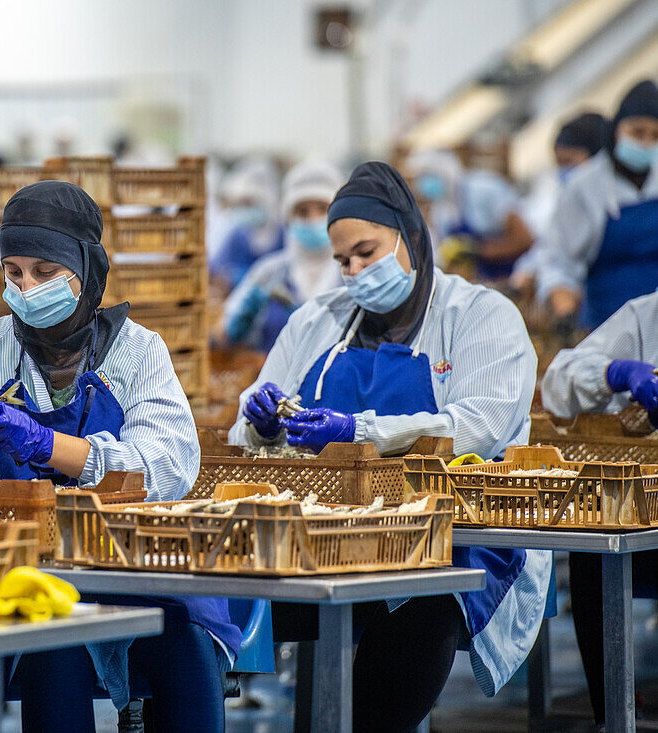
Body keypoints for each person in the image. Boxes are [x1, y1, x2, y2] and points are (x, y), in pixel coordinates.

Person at [229, 162, 550, 731]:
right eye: (342, 261)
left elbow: (479, 425)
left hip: (451, 533)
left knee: (416, 614)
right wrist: (261, 423)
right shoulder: (317, 321)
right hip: (326, 534)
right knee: (203, 611)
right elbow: (249, 424)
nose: (353, 271)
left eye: (367, 252)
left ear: (411, 236)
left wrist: (358, 432)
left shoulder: (479, 316)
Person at [0, 180, 240, 732]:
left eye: (44, 271)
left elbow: (170, 466)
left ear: (86, 270)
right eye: (12, 272)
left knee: (184, 641)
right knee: (51, 647)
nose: (26, 286)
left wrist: (50, 447)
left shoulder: (137, 351)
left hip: (136, 566)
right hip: (29, 574)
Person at [540, 292, 658, 726]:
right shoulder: (648, 315)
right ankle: (613, 712)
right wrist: (614, 373)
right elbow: (559, 380)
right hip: (651, 513)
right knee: (595, 551)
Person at [538, 79, 658, 331]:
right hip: (606, 328)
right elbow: (558, 261)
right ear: (616, 128)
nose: (646, 142)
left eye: (655, 135)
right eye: (637, 132)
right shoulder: (585, 186)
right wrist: (565, 315)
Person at [222, 160, 343, 351]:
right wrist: (242, 321)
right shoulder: (269, 272)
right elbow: (225, 333)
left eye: (322, 210)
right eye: (302, 211)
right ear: (288, 217)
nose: (312, 220)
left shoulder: (350, 272)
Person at [512, 113, 608, 300]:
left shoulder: (613, 200)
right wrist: (524, 274)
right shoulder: (564, 200)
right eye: (559, 164)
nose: (563, 171)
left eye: (569, 162)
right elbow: (552, 249)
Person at [406, 147, 534, 281]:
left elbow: (524, 240)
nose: (422, 184)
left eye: (426, 176)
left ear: (442, 172)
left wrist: (477, 250)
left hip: (516, 273)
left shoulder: (484, 188)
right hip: (485, 279)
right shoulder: (441, 210)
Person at [209, 156, 283, 291]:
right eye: (240, 204)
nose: (244, 210)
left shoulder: (283, 236)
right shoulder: (238, 234)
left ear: (268, 201)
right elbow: (215, 269)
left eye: (249, 203)